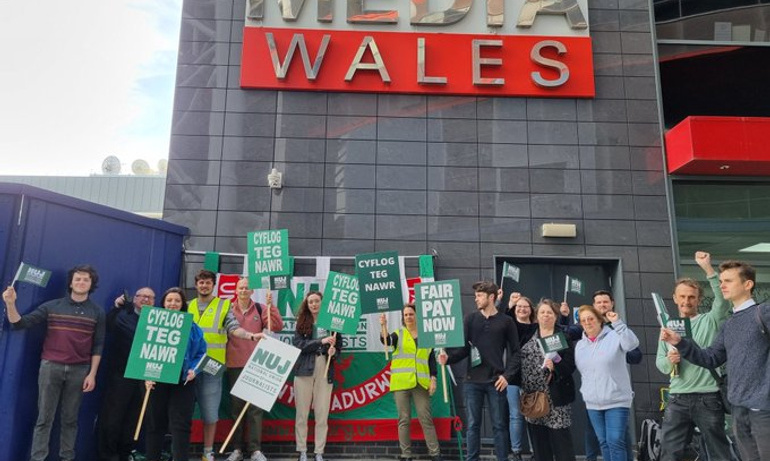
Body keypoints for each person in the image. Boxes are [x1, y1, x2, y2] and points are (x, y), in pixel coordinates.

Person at [661, 260, 770, 461]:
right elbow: (710, 358)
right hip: (738, 406)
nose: (722, 286)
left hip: (763, 407)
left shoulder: (763, 313)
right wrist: (679, 343)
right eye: (720, 281)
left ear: (747, 285)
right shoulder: (729, 324)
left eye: (728, 281)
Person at [2, 264, 106, 461]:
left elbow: (98, 345)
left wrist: (92, 374)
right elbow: (19, 323)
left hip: (80, 371)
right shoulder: (52, 306)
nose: (81, 282)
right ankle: (37, 458)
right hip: (51, 367)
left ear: (91, 284)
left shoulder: (97, 312)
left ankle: (67, 457)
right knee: (44, 419)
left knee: (70, 420)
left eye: (86, 279)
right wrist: (10, 303)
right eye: (78, 278)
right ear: (71, 283)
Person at [656, 251, 731, 461]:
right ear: (674, 298)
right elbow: (660, 363)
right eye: (682, 296)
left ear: (699, 299)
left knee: (719, 453)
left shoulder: (710, 320)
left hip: (708, 397)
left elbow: (722, 301)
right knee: (669, 454)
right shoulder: (668, 326)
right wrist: (669, 362)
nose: (686, 301)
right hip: (678, 397)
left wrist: (708, 269)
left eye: (691, 297)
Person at [438, 281, 520, 461]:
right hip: (472, 381)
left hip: (496, 381)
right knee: (473, 425)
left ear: (491, 297)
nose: (476, 299)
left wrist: (507, 376)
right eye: (476, 295)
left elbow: (516, 352)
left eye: (480, 295)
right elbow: (463, 350)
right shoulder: (470, 319)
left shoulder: (506, 321)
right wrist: (448, 359)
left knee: (499, 425)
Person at [560, 290, 641, 461]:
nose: (588, 323)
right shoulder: (581, 344)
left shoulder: (617, 333)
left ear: (600, 320)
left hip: (616, 398)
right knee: (603, 441)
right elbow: (564, 333)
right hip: (593, 401)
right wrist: (564, 317)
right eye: (584, 320)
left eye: (591, 319)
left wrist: (617, 326)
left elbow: (634, 348)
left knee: (615, 441)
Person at [144, 287, 207, 461]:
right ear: (163, 303)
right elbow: (144, 351)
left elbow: (202, 353)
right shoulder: (151, 324)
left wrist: (195, 369)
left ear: (182, 304)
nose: (173, 304)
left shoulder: (193, 327)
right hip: (157, 380)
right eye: (169, 300)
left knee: (181, 426)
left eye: (177, 301)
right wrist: (146, 375)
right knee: (154, 424)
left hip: (184, 382)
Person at [224, 278, 284, 461]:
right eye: (240, 287)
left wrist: (270, 306)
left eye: (246, 288)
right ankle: (237, 450)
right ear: (236, 290)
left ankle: (255, 450)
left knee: (255, 410)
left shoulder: (260, 308)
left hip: (257, 364)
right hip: (234, 364)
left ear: (252, 291)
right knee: (236, 409)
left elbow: (277, 326)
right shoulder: (227, 309)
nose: (243, 290)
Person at [97, 287, 155, 461]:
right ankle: (108, 456)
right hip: (121, 376)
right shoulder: (122, 316)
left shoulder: (159, 321)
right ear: (134, 299)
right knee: (112, 419)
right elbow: (107, 326)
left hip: (144, 379)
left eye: (150, 297)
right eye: (142, 296)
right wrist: (117, 307)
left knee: (133, 420)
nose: (146, 299)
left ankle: (125, 454)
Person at [379, 304, 443, 461]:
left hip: (421, 383)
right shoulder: (398, 333)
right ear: (403, 317)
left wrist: (433, 379)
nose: (408, 317)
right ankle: (406, 455)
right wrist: (383, 326)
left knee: (426, 418)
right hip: (401, 384)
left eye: (411, 314)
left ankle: (435, 454)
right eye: (406, 314)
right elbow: (386, 340)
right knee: (404, 420)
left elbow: (430, 360)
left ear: (416, 316)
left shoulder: (426, 335)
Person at [521, 299, 576, 461]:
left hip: (555, 398)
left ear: (555, 316)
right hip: (533, 398)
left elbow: (570, 365)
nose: (546, 315)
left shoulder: (563, 336)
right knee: (539, 446)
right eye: (542, 312)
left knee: (562, 445)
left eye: (549, 312)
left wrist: (556, 365)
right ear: (536, 316)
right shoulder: (527, 334)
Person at [293, 291, 342, 461]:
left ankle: (319, 452)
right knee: (302, 412)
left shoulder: (332, 324)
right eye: (310, 302)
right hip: (304, 369)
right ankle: (302, 451)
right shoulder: (301, 322)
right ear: (306, 304)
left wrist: (333, 352)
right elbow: (299, 345)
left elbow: (339, 348)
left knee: (322, 413)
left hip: (324, 368)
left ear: (323, 302)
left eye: (317, 301)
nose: (314, 304)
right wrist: (320, 341)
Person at [188, 269, 232, 461]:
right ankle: (180, 448)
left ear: (213, 285)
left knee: (210, 411)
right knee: (182, 410)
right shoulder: (187, 306)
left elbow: (234, 328)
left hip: (212, 365)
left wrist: (250, 336)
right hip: (188, 366)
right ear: (196, 284)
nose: (204, 285)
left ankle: (208, 452)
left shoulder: (224, 305)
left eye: (207, 282)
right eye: (201, 282)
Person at [506, 293, 538, 461]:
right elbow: (503, 318)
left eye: (525, 306)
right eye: (519, 307)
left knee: (533, 415)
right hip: (513, 378)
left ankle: (535, 451)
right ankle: (516, 451)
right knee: (516, 415)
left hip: (532, 378)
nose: (522, 309)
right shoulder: (510, 326)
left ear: (530, 310)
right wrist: (510, 304)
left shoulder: (536, 328)